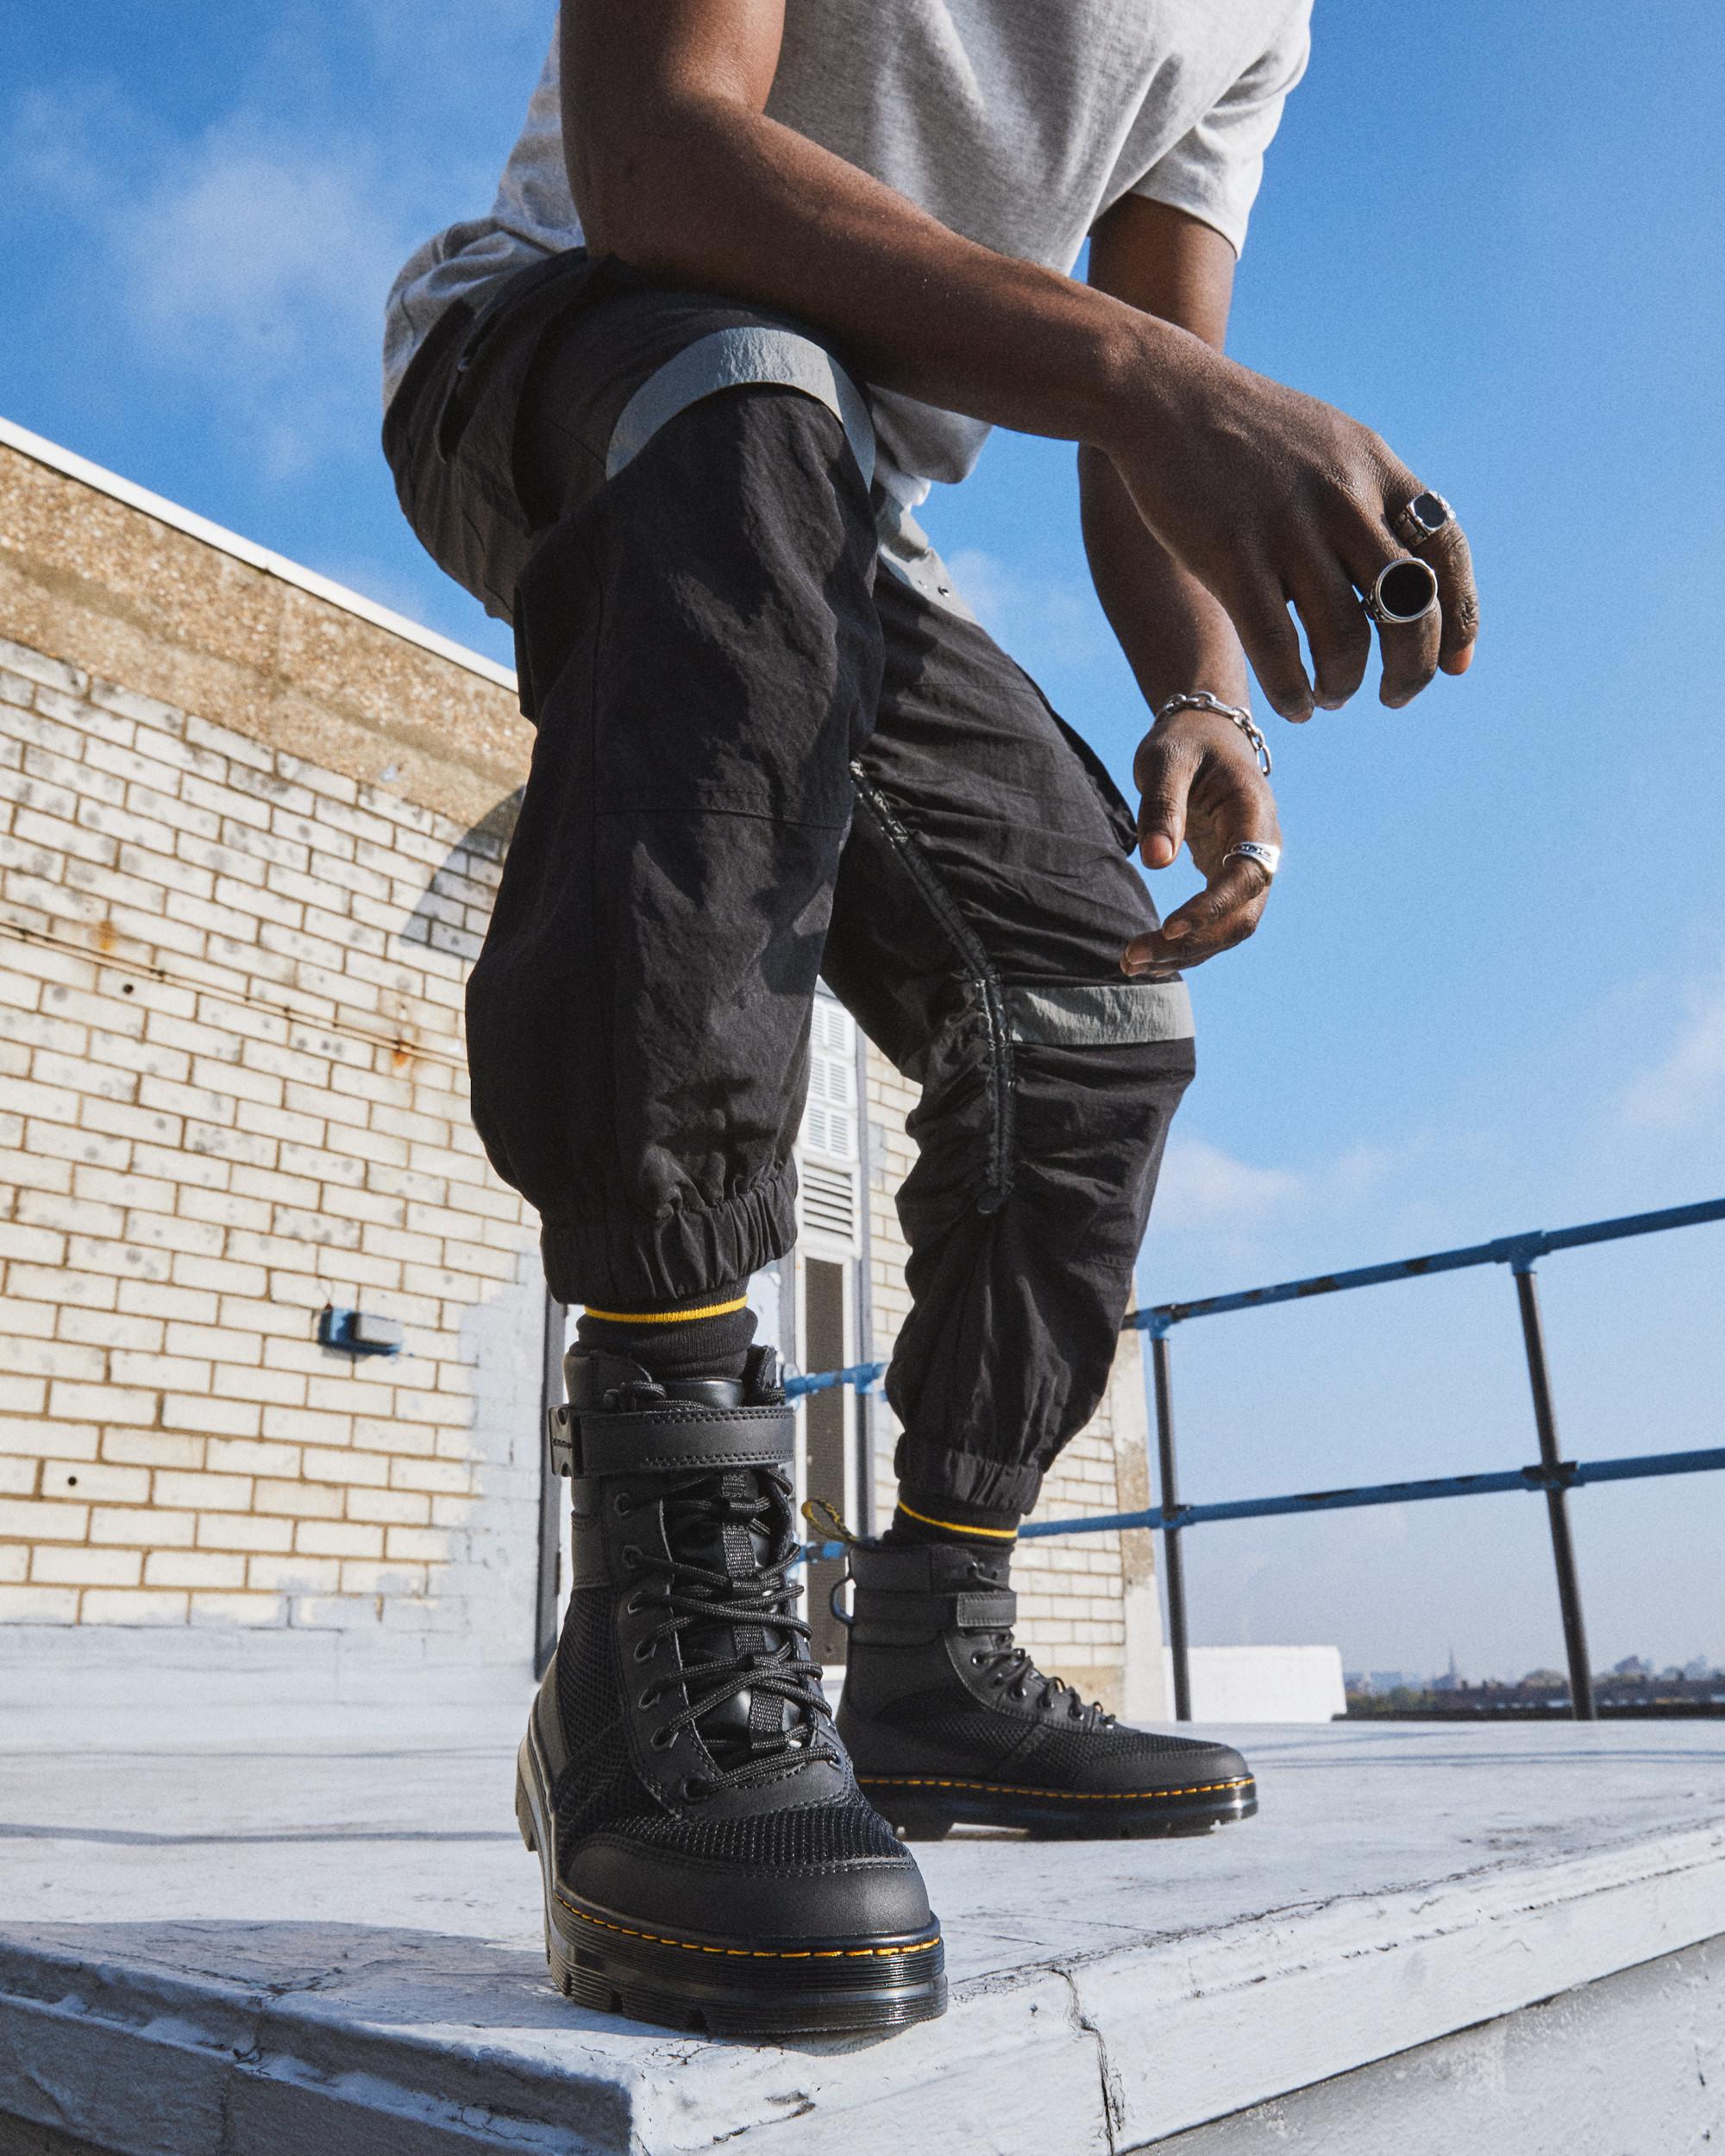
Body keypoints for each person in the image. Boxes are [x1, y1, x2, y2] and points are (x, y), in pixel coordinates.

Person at [383, 0, 1477, 2040]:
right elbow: (658, 156)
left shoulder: (1264, 22)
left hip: (843, 512)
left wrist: (1201, 696)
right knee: (748, 398)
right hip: (568, 345)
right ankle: (655, 1617)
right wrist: (1143, 373)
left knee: (1091, 1003)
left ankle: (935, 1647)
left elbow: (1154, 409)